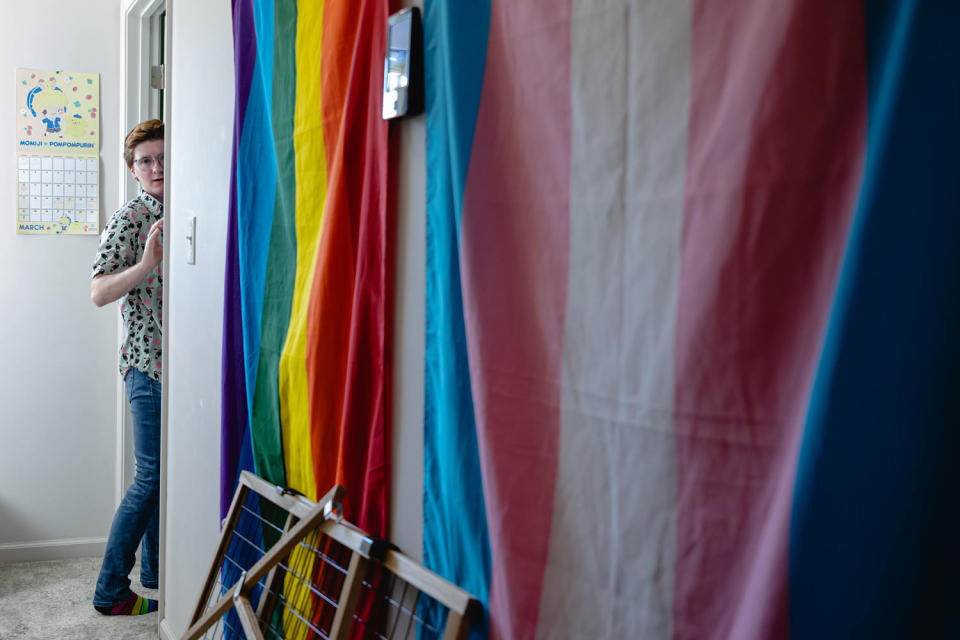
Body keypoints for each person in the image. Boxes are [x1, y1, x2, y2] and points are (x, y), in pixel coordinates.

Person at [90, 118, 165, 616]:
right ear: (134, 171)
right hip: (147, 369)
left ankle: (159, 578)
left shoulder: (189, 210)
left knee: (166, 476)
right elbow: (98, 293)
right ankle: (110, 592)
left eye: (163, 157)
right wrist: (145, 265)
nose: (157, 167)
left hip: (185, 375)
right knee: (150, 477)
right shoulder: (132, 217)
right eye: (146, 161)